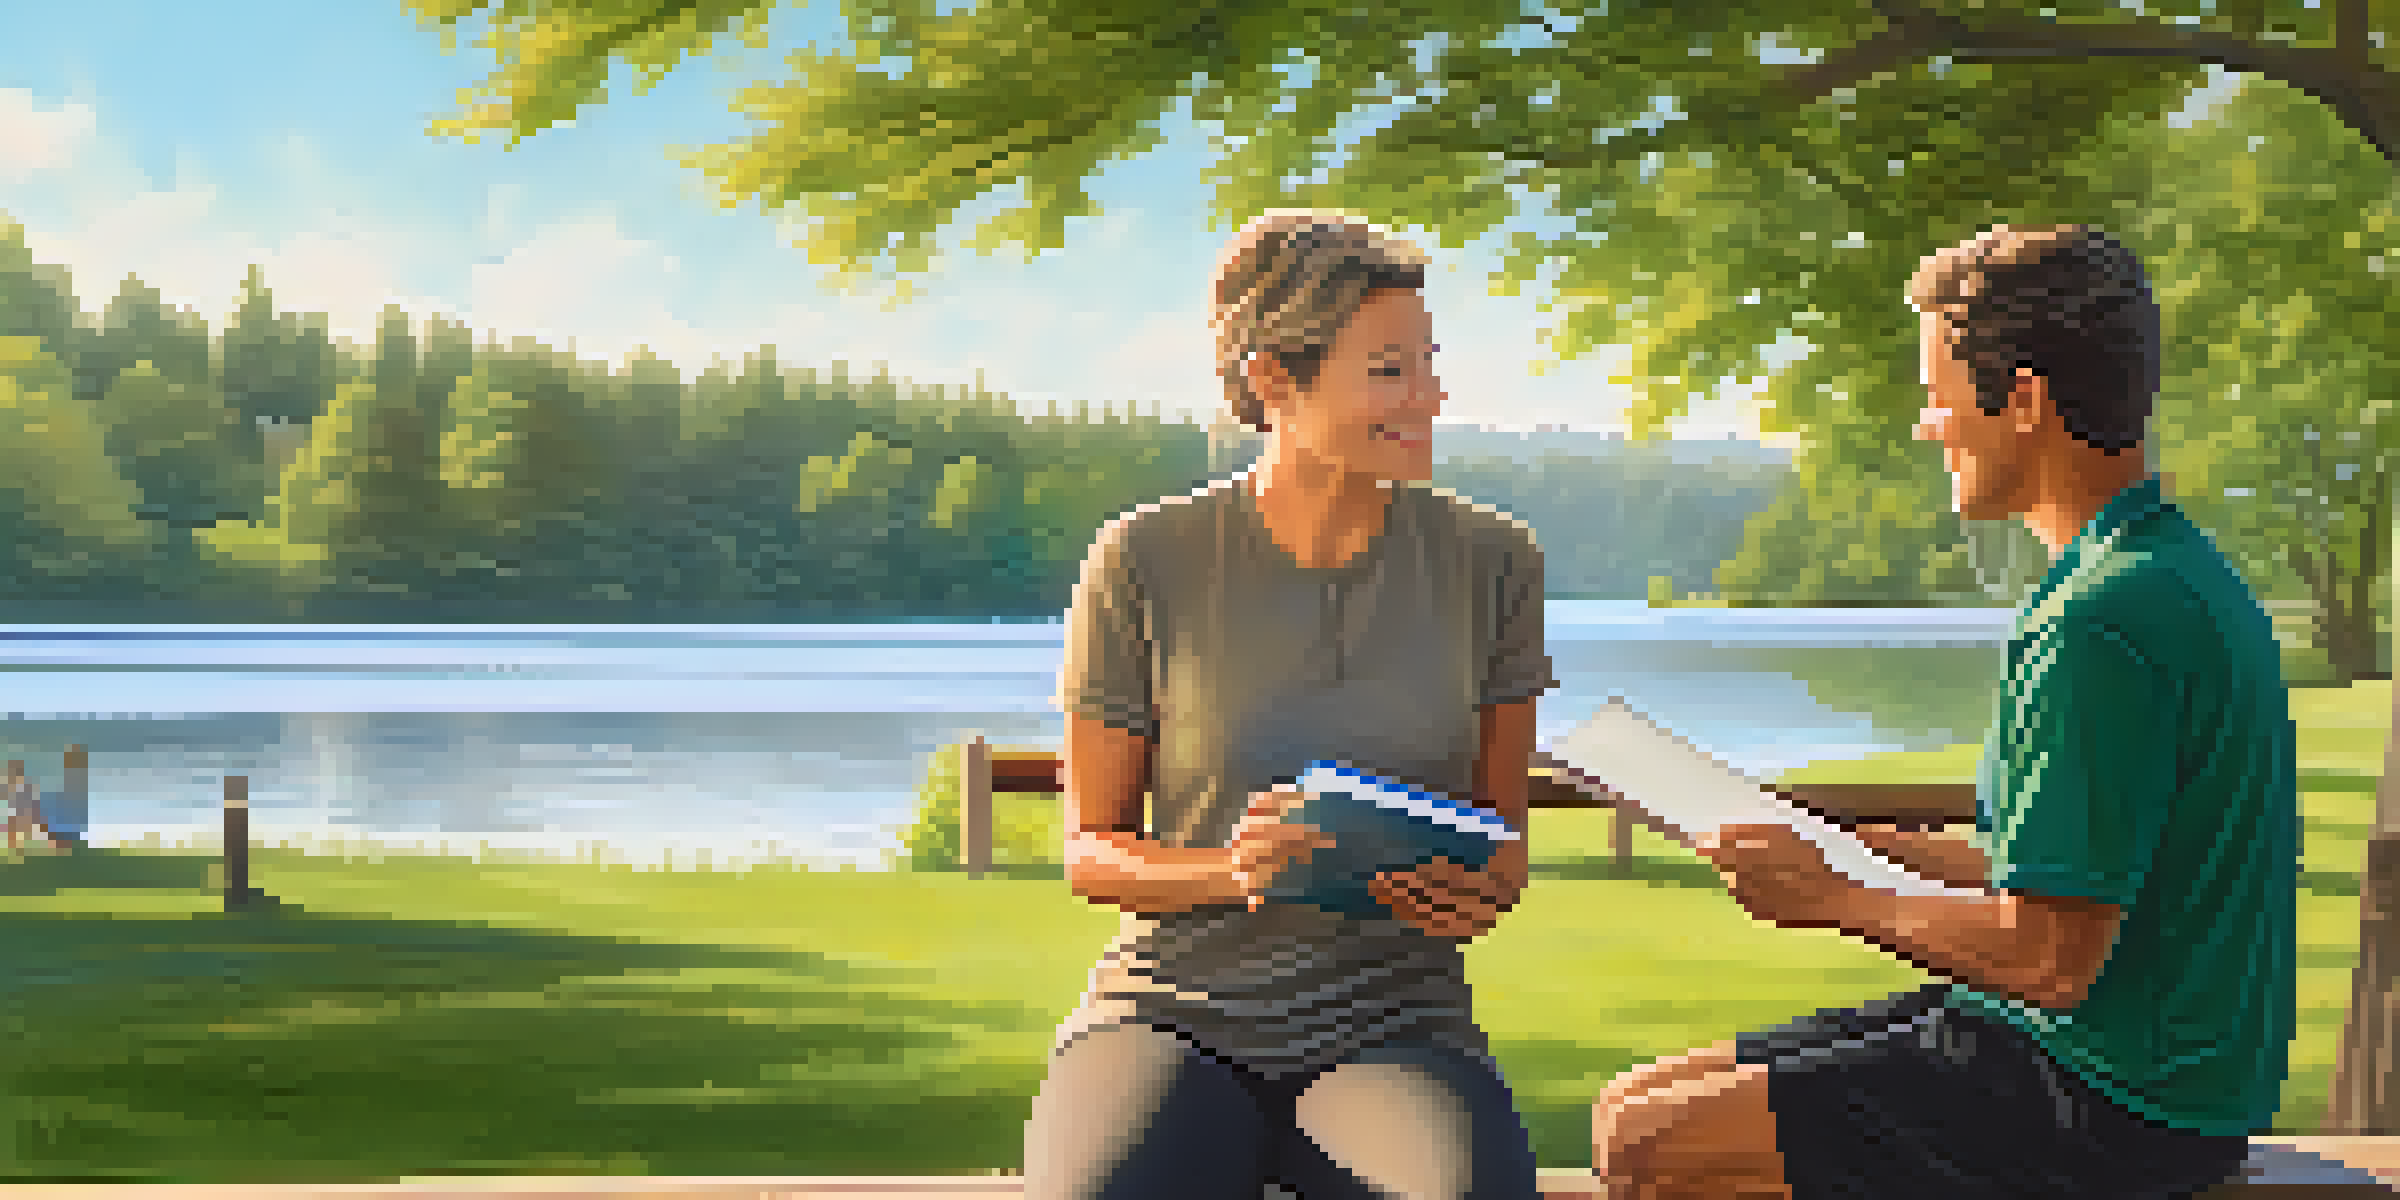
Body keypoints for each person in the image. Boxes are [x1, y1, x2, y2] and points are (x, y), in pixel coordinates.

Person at [1589, 224, 2296, 1199]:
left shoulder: (2101, 623)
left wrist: (1837, 900)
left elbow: (2051, 959)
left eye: (1938, 395)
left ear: (2024, 400)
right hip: (2139, 1066)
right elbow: (2082, 880)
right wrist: (1866, 850)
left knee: (1651, 1146)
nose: (1929, 427)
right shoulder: (2159, 573)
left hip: (2121, 1101)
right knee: (1632, 1101)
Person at [1021, 210, 1556, 1200]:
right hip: (1168, 1013)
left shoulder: (1495, 562)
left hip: (1396, 1022)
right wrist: (1232, 871)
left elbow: (1504, 843)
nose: (1430, 396)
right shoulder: (1143, 560)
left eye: (1427, 363)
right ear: (1274, 378)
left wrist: (1480, 887)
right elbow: (1091, 850)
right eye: (1389, 370)